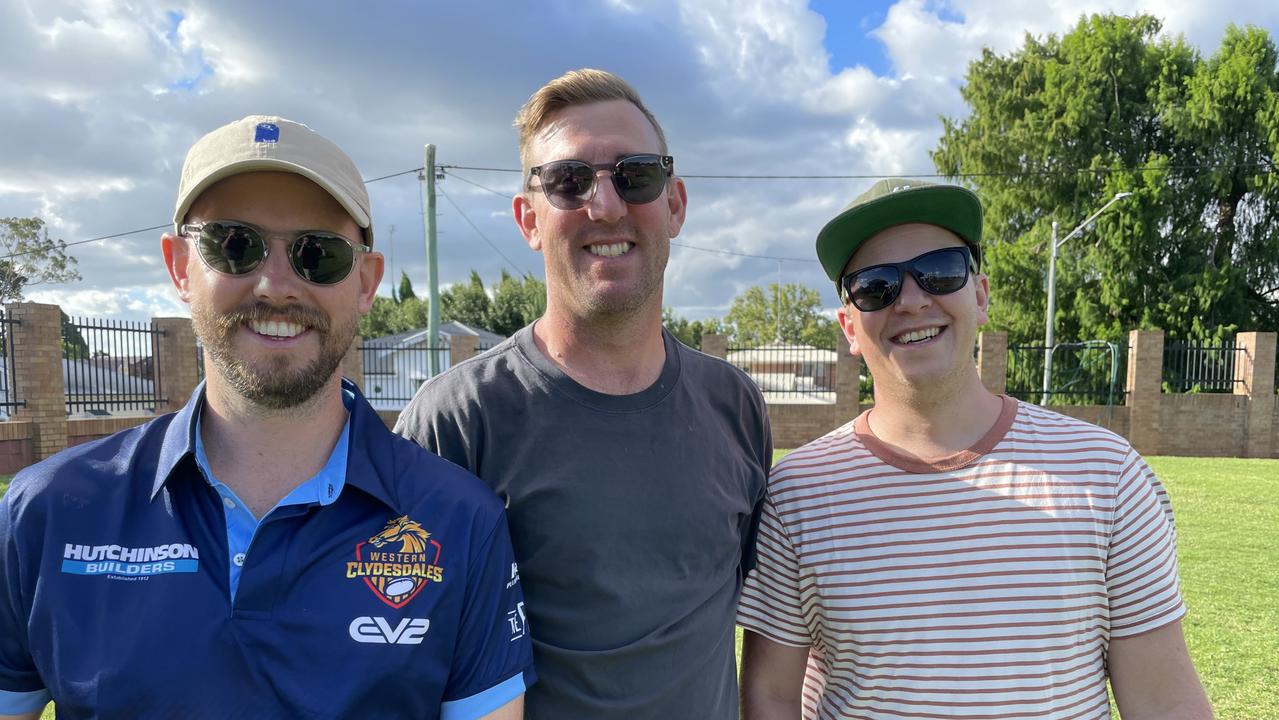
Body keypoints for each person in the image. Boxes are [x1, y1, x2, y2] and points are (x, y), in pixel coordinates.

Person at [0, 116, 532, 720]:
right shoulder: (48, 509)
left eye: (318, 254)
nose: (276, 285)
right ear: (179, 267)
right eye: (235, 245)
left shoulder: (460, 522)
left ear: (365, 281)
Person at [737, 178, 1213, 720]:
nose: (913, 301)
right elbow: (770, 698)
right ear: (850, 325)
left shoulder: (1107, 475)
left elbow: (1165, 700)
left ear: (980, 295)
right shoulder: (797, 494)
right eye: (876, 286)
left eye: (939, 269)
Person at [395, 69, 772, 719]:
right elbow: (400, 657)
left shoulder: (734, 407)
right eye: (569, 182)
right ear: (528, 218)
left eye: (636, 176)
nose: (605, 206)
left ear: (675, 204)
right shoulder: (457, 420)